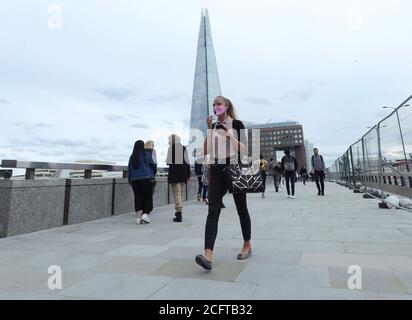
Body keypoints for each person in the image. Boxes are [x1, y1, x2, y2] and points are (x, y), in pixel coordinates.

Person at [195, 96, 252, 271]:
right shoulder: (213, 126)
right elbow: (206, 151)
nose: (215, 107)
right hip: (217, 169)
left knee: (241, 209)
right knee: (213, 210)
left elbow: (245, 150)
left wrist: (229, 137)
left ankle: (247, 244)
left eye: (218, 104)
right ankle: (208, 255)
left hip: (234, 167)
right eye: (213, 104)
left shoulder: (237, 124)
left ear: (226, 106)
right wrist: (209, 129)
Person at [128, 140, 157, 225]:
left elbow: (129, 170)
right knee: (148, 197)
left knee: (137, 198)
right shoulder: (146, 155)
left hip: (134, 180)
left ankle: (137, 218)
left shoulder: (132, 157)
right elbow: (153, 165)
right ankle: (145, 215)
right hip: (145, 179)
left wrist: (130, 181)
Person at [166, 134, 191, 222]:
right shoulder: (184, 148)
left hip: (174, 175)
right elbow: (187, 162)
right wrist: (188, 174)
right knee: (180, 194)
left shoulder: (171, 148)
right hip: (183, 175)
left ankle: (178, 214)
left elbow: (168, 162)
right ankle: (178, 213)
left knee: (177, 194)